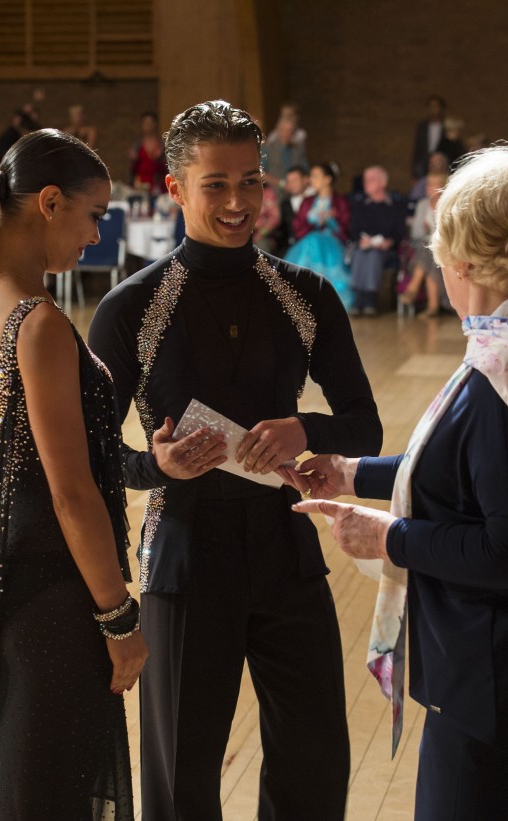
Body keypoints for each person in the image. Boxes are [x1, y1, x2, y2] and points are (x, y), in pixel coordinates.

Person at [292, 145, 508, 820]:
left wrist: (389, 537)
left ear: (461, 258)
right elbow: (487, 478)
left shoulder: (505, 371)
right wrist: (353, 471)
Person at [87, 99, 382, 821]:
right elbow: (97, 460)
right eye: (215, 184)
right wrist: (160, 467)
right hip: (183, 556)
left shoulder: (305, 294)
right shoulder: (131, 308)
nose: (237, 201)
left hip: (286, 547)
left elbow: (365, 425)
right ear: (175, 189)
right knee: (181, 773)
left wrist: (303, 428)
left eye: (250, 181)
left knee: (315, 758)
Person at [0, 128, 146, 817]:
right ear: (50, 203)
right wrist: (118, 616)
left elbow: (7, 471)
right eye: (95, 215)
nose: (97, 237)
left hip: (10, 593)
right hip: (56, 603)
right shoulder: (37, 322)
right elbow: (71, 494)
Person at [285, 161, 353, 309]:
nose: (311, 180)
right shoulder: (308, 201)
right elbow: (298, 226)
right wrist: (312, 219)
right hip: (309, 241)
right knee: (312, 242)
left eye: (315, 176)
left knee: (315, 242)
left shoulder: (340, 202)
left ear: (327, 179)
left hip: (332, 244)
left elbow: (346, 228)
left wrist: (331, 220)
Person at [348, 165, 407, 315]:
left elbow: (400, 231)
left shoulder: (395, 206)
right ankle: (359, 298)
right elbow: (354, 230)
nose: (366, 183)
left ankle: (368, 298)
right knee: (361, 253)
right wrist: (363, 240)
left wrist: (390, 241)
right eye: (365, 180)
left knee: (373, 255)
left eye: (371, 180)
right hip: (364, 245)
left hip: (386, 249)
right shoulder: (360, 205)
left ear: (382, 183)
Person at [400, 171, 447, 317]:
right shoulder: (422, 205)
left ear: (443, 187)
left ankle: (413, 287)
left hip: (443, 247)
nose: (430, 188)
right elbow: (415, 233)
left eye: (434, 185)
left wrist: (433, 230)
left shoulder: (447, 204)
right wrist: (425, 229)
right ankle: (433, 306)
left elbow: (449, 233)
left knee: (430, 252)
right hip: (422, 246)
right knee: (427, 250)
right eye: (428, 185)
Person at [261, 115, 308, 189]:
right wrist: (281, 183)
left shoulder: (297, 150)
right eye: (284, 130)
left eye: (290, 131)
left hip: (296, 192)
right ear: (278, 130)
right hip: (275, 193)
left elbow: (305, 171)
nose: (286, 133)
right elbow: (261, 172)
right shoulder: (268, 149)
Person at [129, 111, 168, 195]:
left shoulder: (162, 145)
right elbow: (133, 170)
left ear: (155, 124)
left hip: (158, 187)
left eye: (150, 123)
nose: (148, 126)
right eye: (145, 123)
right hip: (140, 187)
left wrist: (160, 159)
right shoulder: (137, 145)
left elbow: (168, 168)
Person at [411, 94, 446, 179]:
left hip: (441, 163)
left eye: (436, 106)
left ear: (441, 108)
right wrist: (414, 172)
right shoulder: (422, 126)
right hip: (424, 163)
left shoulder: (445, 126)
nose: (433, 109)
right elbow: (417, 149)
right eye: (431, 106)